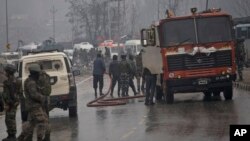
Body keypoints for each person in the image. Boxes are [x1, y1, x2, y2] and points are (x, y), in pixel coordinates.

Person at [18, 64, 49, 141]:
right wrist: (43, 98)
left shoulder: (31, 81)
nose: (39, 74)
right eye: (38, 73)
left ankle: (21, 138)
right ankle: (39, 138)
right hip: (34, 106)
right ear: (34, 73)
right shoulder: (31, 82)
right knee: (42, 121)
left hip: (34, 105)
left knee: (31, 124)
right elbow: (34, 95)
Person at [2, 64, 20, 141]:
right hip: (14, 102)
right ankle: (10, 135)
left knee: (10, 119)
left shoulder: (8, 82)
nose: (4, 72)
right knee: (9, 119)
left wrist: (8, 103)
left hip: (10, 103)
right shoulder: (17, 80)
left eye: (5, 71)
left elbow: (8, 94)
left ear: (8, 72)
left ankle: (12, 136)